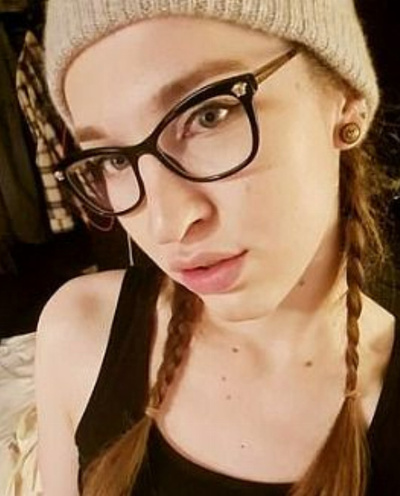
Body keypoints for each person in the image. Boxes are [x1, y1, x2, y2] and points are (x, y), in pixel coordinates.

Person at [35, 1, 400, 495]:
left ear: (343, 99)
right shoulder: (79, 333)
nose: (165, 224)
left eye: (209, 115)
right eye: (112, 159)